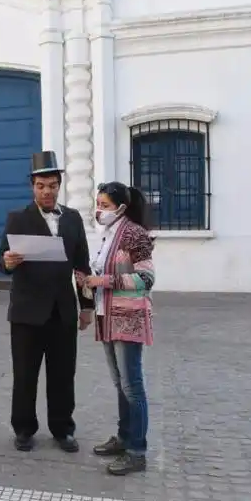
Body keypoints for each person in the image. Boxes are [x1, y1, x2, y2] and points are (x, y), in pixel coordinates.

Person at [0, 151, 95, 453]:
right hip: (27, 311)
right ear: (32, 186)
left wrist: (87, 306)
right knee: (25, 375)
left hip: (63, 311)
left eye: (52, 185)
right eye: (41, 185)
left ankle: (63, 428)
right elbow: (0, 261)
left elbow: (82, 266)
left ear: (59, 185)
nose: (47, 191)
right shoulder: (18, 218)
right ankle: (24, 429)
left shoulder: (73, 219)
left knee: (63, 375)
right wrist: (8, 262)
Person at [79, 181, 156, 476]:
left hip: (128, 318)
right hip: (107, 316)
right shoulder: (109, 234)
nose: (99, 211)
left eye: (105, 206)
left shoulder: (133, 233)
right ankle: (124, 437)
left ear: (121, 208)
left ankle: (137, 450)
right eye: (98, 204)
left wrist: (104, 281)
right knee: (120, 384)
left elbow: (146, 279)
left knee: (132, 386)